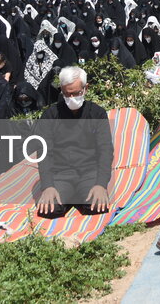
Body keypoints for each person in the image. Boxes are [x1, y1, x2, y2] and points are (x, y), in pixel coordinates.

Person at [35, 66, 114, 218]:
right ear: (62, 91)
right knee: (50, 210)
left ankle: (80, 197)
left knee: (97, 207)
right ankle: (70, 197)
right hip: (61, 174)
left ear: (86, 89)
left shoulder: (97, 113)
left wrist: (100, 184)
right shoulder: (51, 115)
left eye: (76, 93)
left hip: (89, 172)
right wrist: (48, 186)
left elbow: (105, 150)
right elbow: (44, 153)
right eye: (67, 94)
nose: (72, 98)